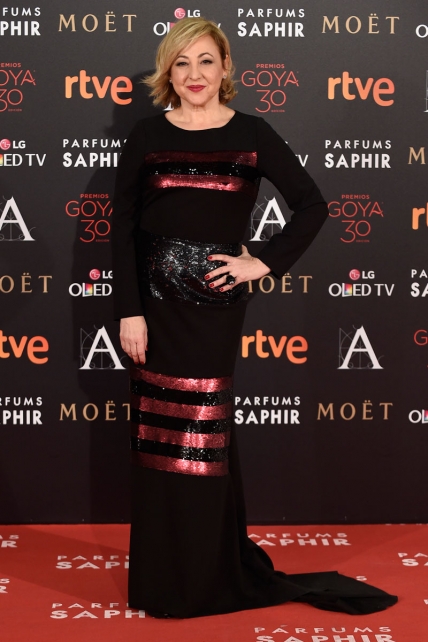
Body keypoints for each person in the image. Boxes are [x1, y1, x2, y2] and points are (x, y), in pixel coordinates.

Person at [112, 17, 397, 618]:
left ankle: (205, 577)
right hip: (154, 313)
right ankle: (163, 580)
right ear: (168, 73)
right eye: (182, 63)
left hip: (212, 311)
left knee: (201, 439)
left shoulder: (252, 133)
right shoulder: (146, 134)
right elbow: (122, 230)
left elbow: (312, 205)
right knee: (158, 442)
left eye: (206, 61)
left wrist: (261, 263)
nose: (194, 74)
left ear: (225, 68)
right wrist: (130, 312)